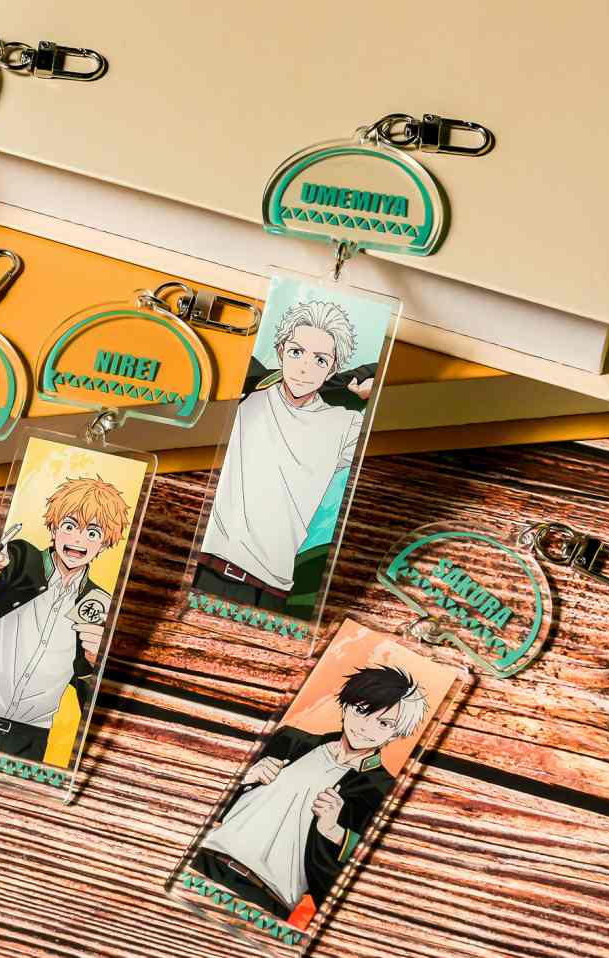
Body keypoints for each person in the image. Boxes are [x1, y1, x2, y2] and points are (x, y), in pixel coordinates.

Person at [191, 665, 428, 922]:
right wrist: (244, 779)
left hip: (269, 900)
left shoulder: (380, 789)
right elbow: (211, 796)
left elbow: (373, 865)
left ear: (397, 733)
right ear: (346, 705)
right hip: (204, 859)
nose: (365, 727)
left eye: (383, 723)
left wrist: (335, 832)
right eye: (361, 710)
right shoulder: (290, 740)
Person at [195, 300, 376, 611]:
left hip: (271, 588)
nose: (304, 367)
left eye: (320, 360)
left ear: (333, 368)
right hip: (207, 563)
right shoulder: (247, 399)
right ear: (280, 351)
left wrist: (372, 390)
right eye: (296, 352)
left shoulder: (343, 425)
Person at [0, 475, 130, 762]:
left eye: (93, 533)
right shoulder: (23, 559)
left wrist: (94, 661)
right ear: (54, 528)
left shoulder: (97, 604)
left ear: (105, 543)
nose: (78, 539)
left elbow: (92, 693)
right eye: (69, 526)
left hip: (30, 737)